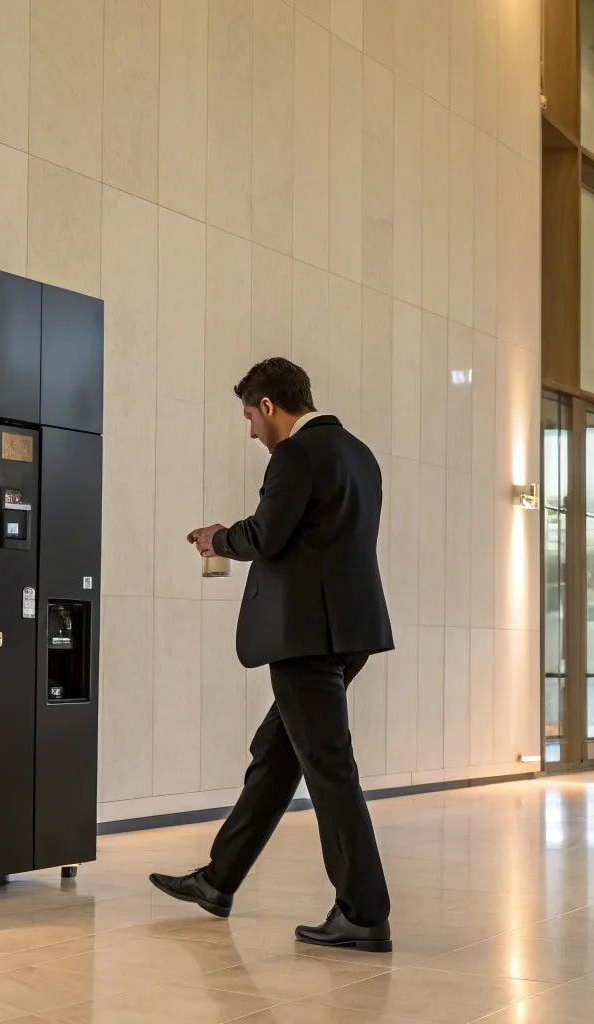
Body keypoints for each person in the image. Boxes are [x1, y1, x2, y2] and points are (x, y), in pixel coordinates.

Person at [150, 357, 396, 953]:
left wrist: (217, 538)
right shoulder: (359, 453)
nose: (252, 433)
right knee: (277, 754)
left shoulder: (295, 454)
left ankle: (363, 912)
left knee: (329, 768)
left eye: (250, 418)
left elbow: (267, 534)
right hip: (351, 631)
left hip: (306, 637)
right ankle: (219, 880)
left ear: (268, 406)